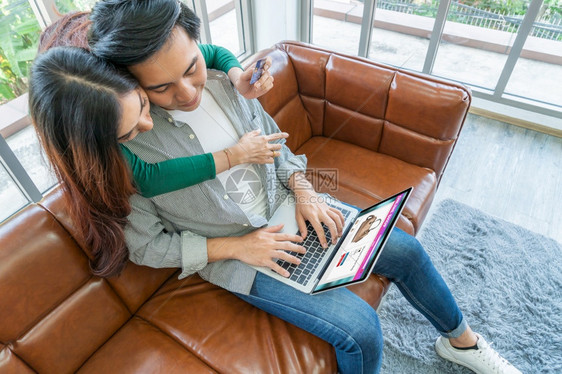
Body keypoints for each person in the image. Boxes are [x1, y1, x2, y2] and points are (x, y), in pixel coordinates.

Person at [32, 1, 519, 373]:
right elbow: (146, 247)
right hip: (244, 255)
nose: (188, 94)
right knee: (360, 329)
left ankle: (463, 343)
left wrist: (304, 189)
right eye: (159, 89)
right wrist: (239, 245)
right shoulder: (125, 145)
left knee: (407, 252)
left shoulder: (227, 79)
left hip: (291, 202)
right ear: (128, 78)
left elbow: (277, 146)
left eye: (190, 68)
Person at [37, 10, 285, 198]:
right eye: (129, 132)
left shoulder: (151, 65)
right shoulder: (99, 142)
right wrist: (235, 155)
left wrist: (237, 77)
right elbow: (148, 180)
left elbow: (211, 53)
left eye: (143, 104)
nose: (148, 123)